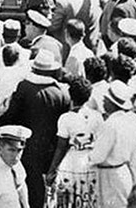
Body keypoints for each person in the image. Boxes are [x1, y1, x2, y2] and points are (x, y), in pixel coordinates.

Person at [0, 50, 71, 208]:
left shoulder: (24, 88)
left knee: (27, 190)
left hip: (26, 148)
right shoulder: (61, 93)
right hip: (51, 150)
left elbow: (10, 117)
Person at [45, 77, 102, 208]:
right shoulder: (97, 116)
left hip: (72, 160)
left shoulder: (66, 118)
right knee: (88, 197)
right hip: (90, 160)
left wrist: (52, 170)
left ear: (71, 96)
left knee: (69, 199)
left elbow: (61, 147)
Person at [88, 81, 136, 208]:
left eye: (105, 99)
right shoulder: (131, 122)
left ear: (112, 103)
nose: (103, 101)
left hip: (109, 177)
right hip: (124, 173)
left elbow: (98, 156)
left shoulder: (110, 125)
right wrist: (133, 179)